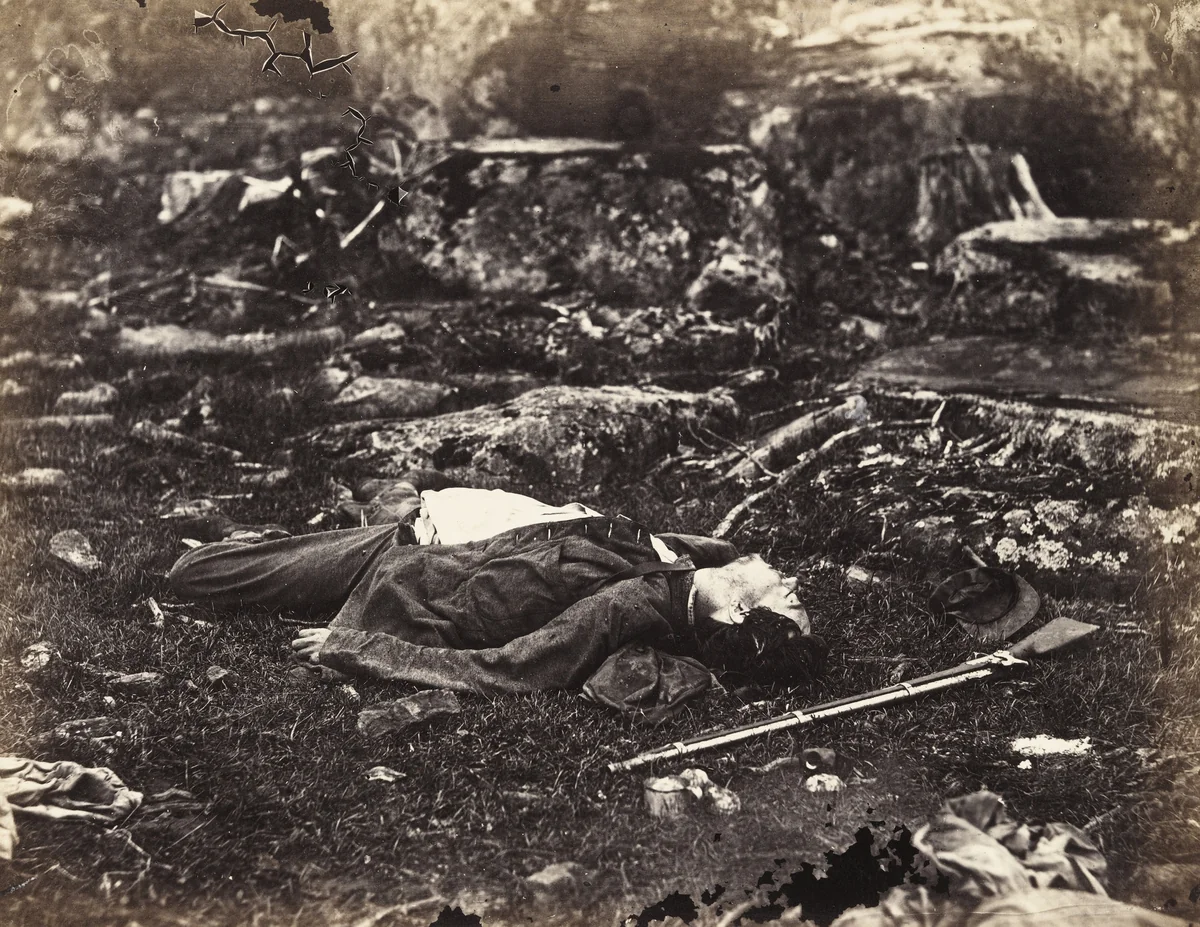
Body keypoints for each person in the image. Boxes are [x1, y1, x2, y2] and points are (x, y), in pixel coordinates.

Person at [167, 474, 825, 697]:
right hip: (452, 516)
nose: (791, 579)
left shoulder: (630, 606)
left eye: (786, 596)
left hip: (404, 565)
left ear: (738, 612)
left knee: (196, 574)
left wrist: (361, 649)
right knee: (386, 497)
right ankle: (309, 521)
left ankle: (221, 544)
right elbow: (724, 556)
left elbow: (508, 670)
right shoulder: (694, 563)